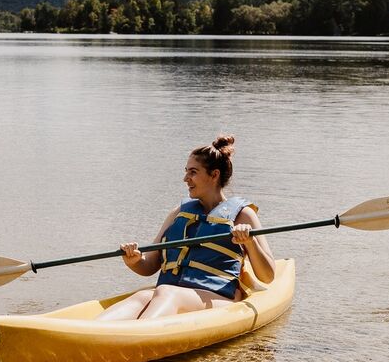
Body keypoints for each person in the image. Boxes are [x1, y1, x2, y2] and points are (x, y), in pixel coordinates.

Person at [96, 134, 276, 320]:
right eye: (186, 171)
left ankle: (137, 337)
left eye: (193, 172)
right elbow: (149, 266)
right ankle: (94, 333)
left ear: (214, 175)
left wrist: (250, 242)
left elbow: (268, 275)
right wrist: (133, 260)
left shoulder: (243, 215)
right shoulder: (179, 213)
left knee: (167, 292)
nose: (185, 178)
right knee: (141, 298)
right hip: (171, 293)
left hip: (218, 299)